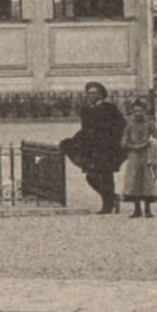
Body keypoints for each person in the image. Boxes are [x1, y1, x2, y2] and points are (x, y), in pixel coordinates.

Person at [60, 81, 127, 214]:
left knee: (106, 175)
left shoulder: (109, 108)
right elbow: (85, 130)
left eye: (95, 93)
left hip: (107, 148)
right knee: (91, 176)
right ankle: (113, 198)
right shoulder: (86, 110)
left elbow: (121, 125)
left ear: (101, 94)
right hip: (92, 148)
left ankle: (107, 205)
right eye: (89, 93)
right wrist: (72, 141)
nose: (91, 96)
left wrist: (111, 138)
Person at [120, 98, 157, 217]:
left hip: (146, 155)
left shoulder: (149, 124)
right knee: (134, 182)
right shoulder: (130, 125)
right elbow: (124, 141)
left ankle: (147, 209)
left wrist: (150, 142)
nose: (138, 113)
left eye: (141, 111)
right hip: (134, 156)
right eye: (135, 111)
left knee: (147, 182)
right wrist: (134, 145)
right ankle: (137, 209)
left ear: (145, 111)